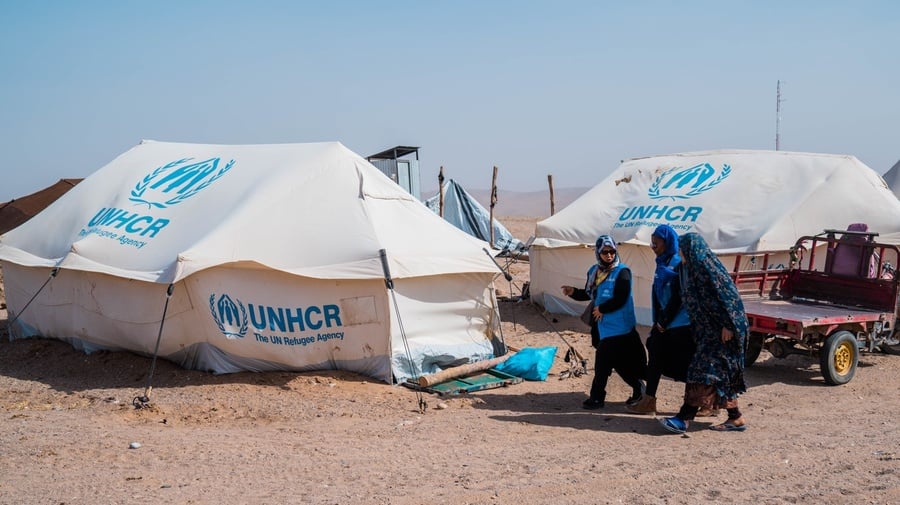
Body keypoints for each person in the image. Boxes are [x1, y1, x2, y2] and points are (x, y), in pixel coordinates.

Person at [660, 232, 749, 434]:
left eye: (683, 248)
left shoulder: (709, 268)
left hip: (722, 330)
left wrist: (729, 325)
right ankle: (736, 418)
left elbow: (730, 297)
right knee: (720, 375)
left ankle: (684, 418)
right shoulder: (690, 269)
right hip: (708, 331)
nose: (680, 252)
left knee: (701, 371)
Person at [562, 235, 647, 409]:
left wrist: (602, 309)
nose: (609, 256)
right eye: (605, 252)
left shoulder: (622, 272)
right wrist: (573, 292)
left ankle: (597, 397)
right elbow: (590, 294)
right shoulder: (595, 271)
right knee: (615, 363)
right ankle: (638, 388)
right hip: (603, 327)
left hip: (620, 327)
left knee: (603, 362)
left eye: (612, 252)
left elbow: (621, 298)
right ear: (598, 253)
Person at [627, 224, 694, 416]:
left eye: (657, 240)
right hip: (663, 323)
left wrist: (664, 321)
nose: (652, 243)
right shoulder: (661, 263)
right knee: (655, 355)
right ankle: (649, 400)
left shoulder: (678, 263)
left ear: (668, 241)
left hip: (680, 323)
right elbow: (658, 296)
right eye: (652, 240)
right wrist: (657, 322)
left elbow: (679, 296)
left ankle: (701, 402)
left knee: (686, 363)